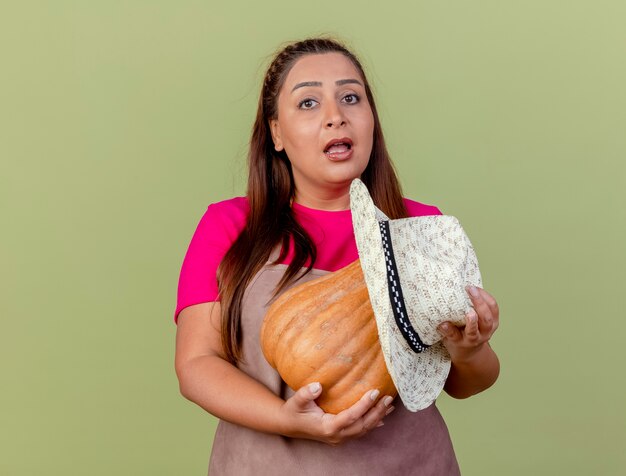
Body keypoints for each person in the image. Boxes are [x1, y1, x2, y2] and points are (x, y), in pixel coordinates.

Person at [174, 37, 500, 475]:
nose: (335, 117)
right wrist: (286, 420)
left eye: (351, 98)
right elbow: (197, 364)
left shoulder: (422, 227)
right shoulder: (231, 225)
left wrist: (469, 349)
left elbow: (468, 382)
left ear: (371, 120)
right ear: (275, 133)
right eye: (308, 103)